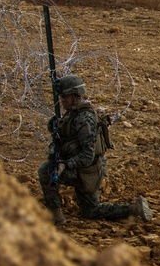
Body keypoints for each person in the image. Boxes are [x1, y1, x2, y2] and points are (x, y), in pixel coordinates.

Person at [39, 74, 153, 225]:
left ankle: (56, 217)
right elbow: (63, 140)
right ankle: (133, 208)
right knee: (91, 211)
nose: (62, 100)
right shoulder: (73, 113)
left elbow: (87, 156)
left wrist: (65, 165)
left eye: (65, 96)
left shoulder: (85, 119)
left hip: (88, 170)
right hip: (82, 167)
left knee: (45, 171)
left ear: (75, 95)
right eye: (61, 97)